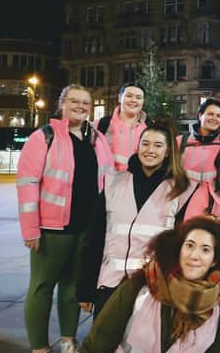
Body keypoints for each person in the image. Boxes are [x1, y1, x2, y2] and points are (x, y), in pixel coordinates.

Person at [16, 85, 113, 353]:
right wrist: (30, 229)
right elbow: (27, 183)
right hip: (52, 229)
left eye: (85, 102)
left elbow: (111, 178)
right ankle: (39, 346)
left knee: (73, 285)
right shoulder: (43, 137)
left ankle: (68, 339)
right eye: (74, 101)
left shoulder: (97, 140)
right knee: (42, 286)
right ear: (62, 104)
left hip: (87, 227)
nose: (81, 106)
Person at [77, 121, 197, 317]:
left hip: (152, 287)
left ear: (167, 152)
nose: (150, 150)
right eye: (145, 143)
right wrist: (85, 288)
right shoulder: (113, 183)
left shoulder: (181, 191)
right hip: (110, 285)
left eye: (158, 145)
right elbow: (93, 239)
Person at [81, 216, 220, 353]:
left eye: (205, 250)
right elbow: (99, 341)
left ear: (215, 260)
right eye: (189, 245)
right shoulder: (141, 286)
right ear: (179, 249)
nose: (194, 256)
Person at [95, 83, 147, 172]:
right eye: (129, 96)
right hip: (108, 182)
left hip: (139, 183)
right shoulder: (102, 124)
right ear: (120, 98)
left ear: (143, 101)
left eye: (138, 97)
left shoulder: (149, 127)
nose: (134, 100)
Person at [177, 98, 220, 184]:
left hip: (214, 195)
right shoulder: (180, 141)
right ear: (200, 115)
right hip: (184, 195)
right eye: (211, 114)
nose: (214, 118)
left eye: (219, 116)